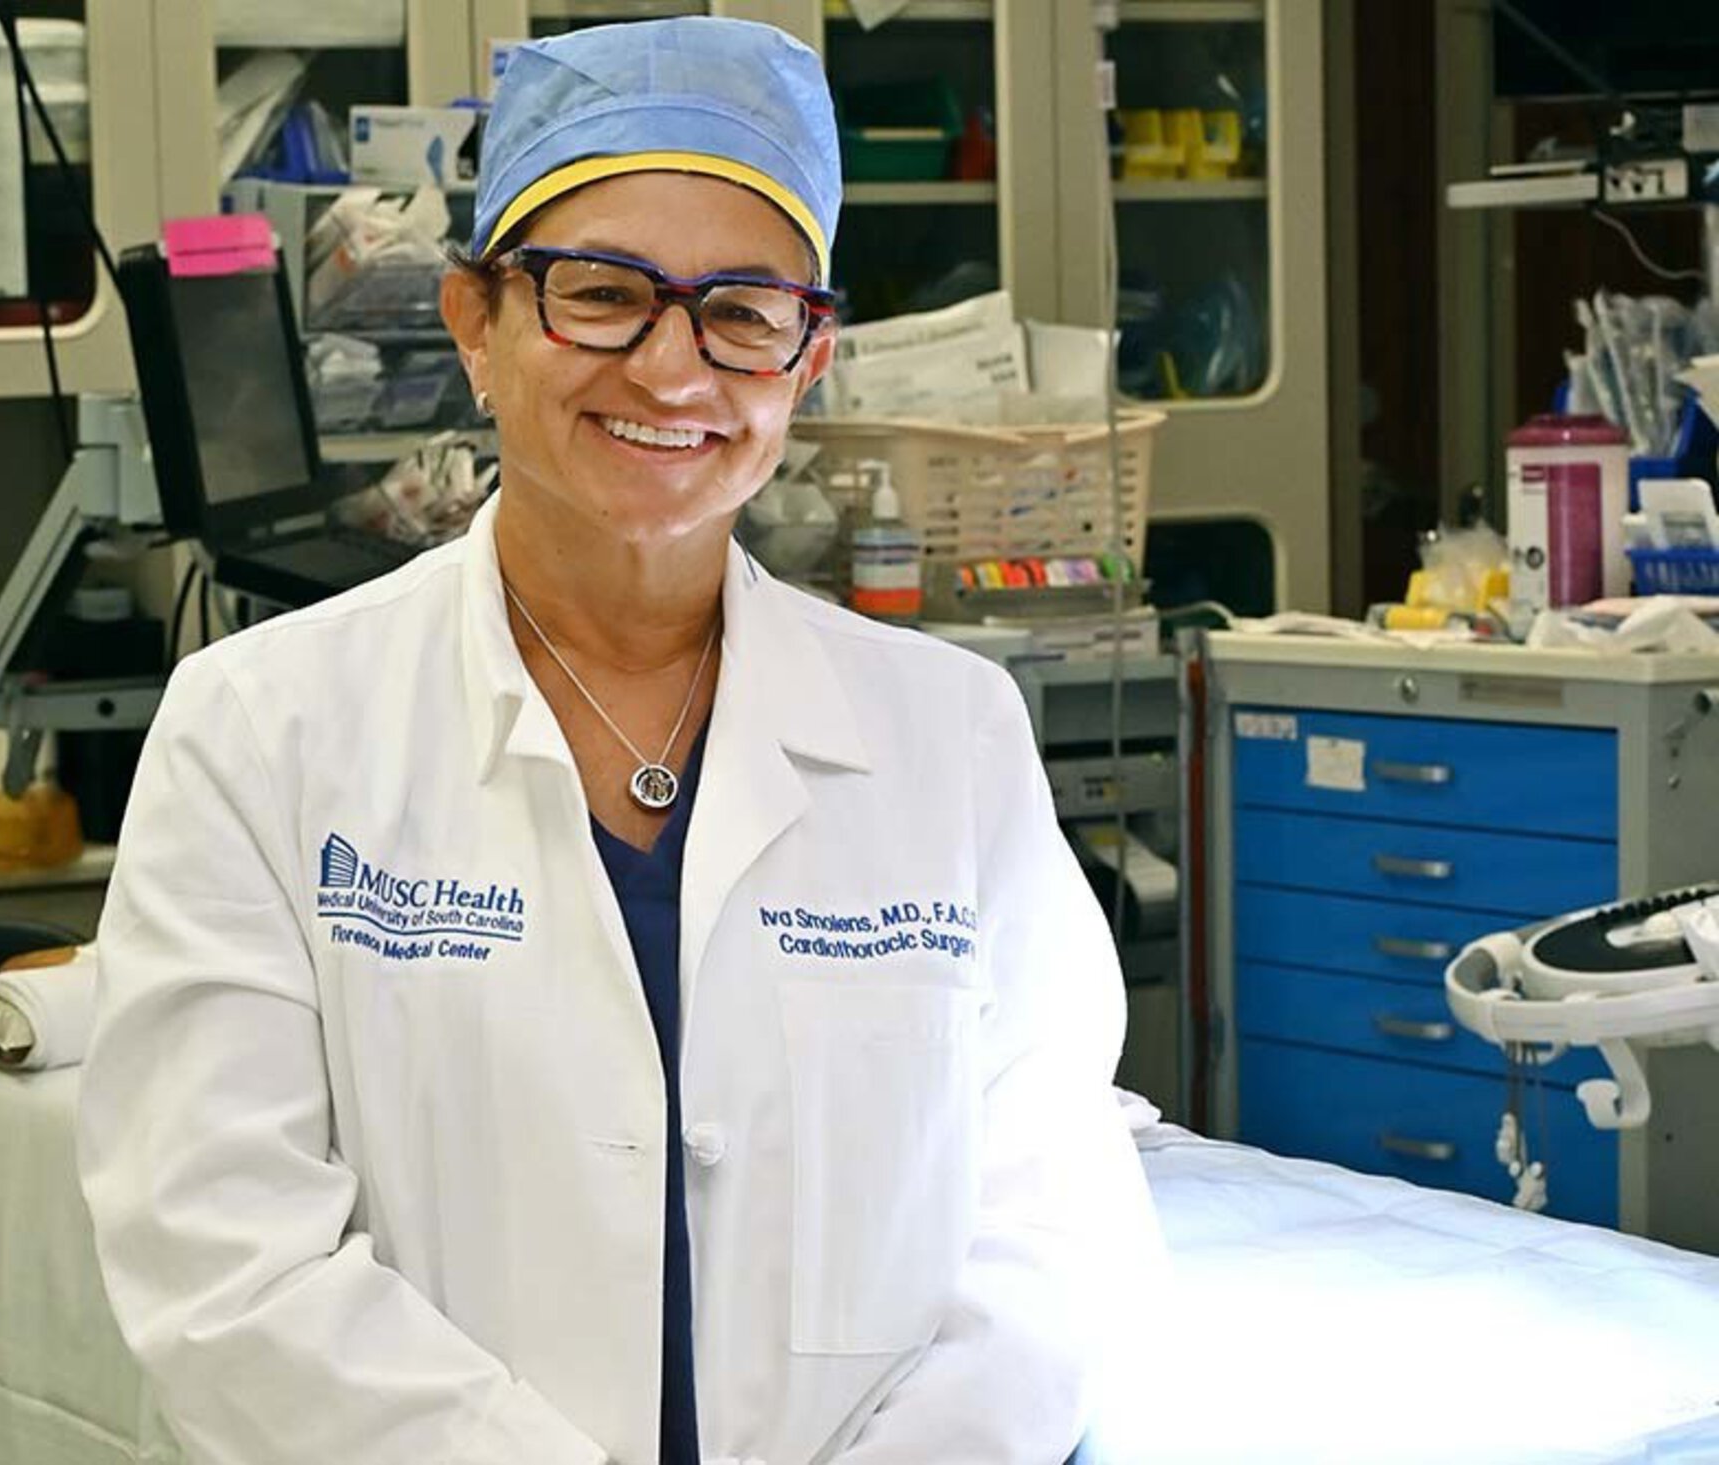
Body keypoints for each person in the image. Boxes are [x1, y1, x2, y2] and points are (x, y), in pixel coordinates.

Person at [78, 17, 1161, 1465]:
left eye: (744, 310)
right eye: (600, 295)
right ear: (477, 322)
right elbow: (226, 1262)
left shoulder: (948, 739)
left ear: (809, 353)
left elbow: (1051, 1225)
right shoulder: (261, 729)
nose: (671, 368)